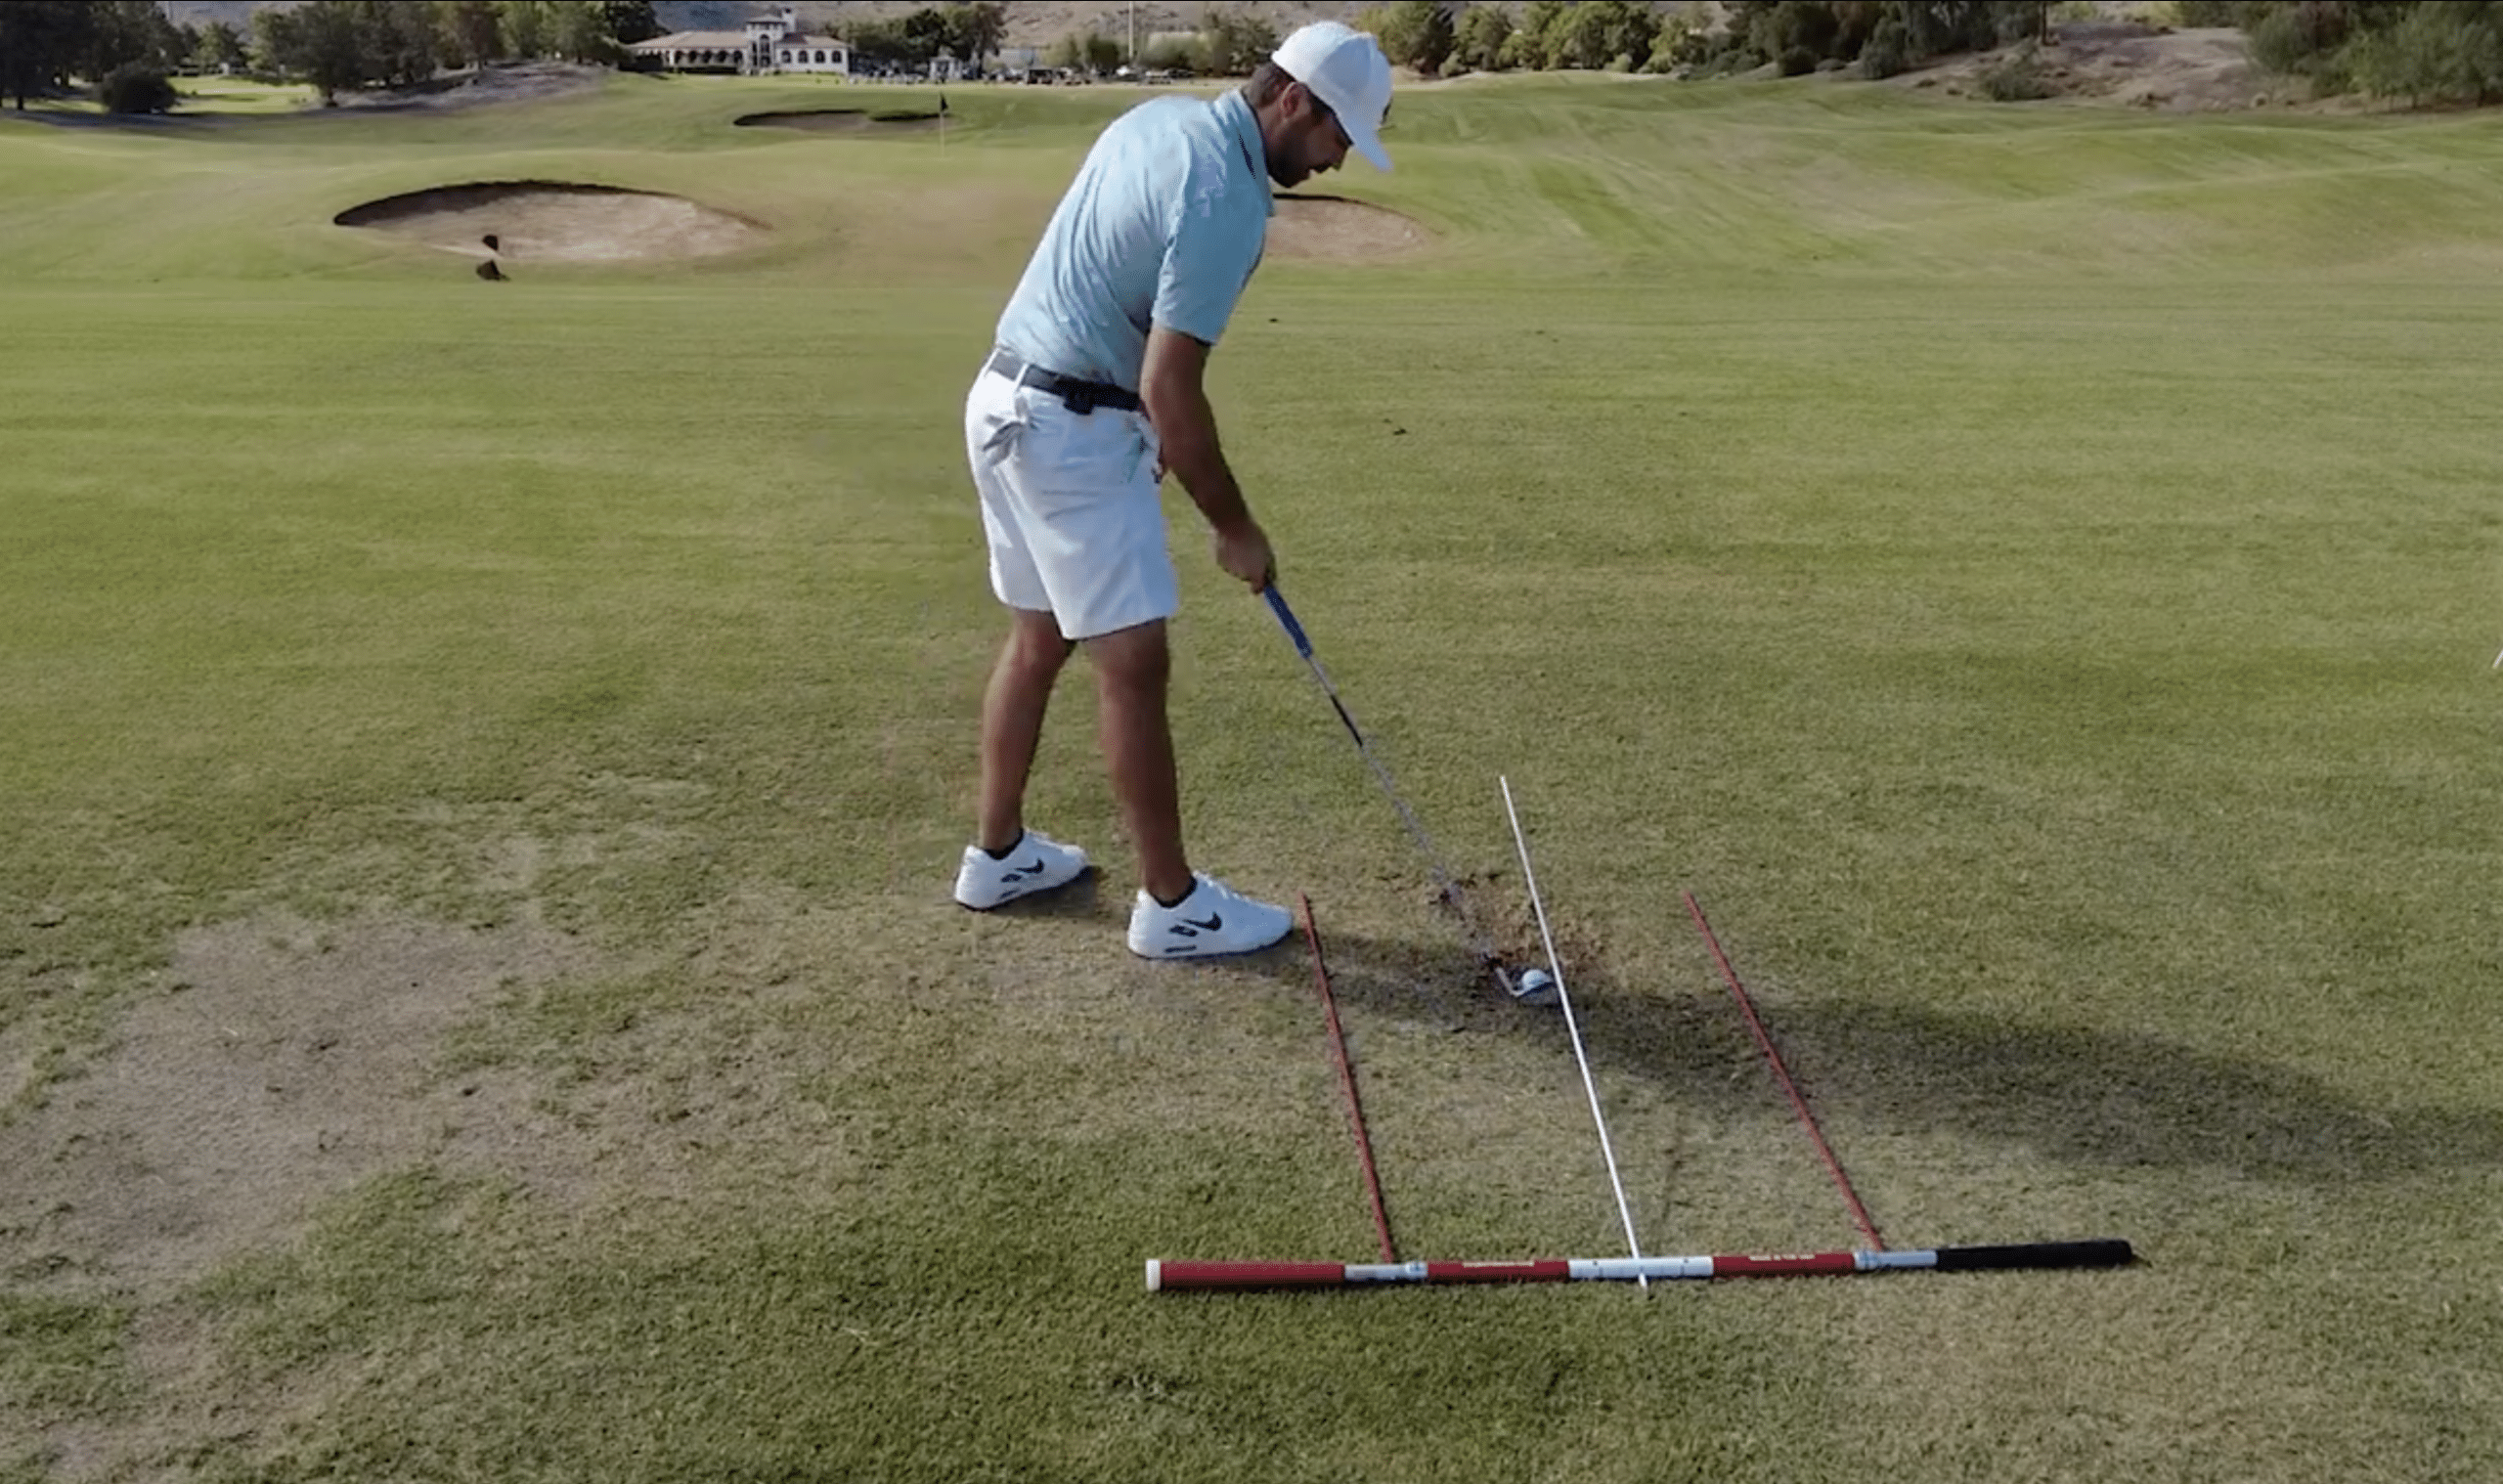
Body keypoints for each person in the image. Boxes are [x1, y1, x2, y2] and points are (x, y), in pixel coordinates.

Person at [952, 22, 1395, 959]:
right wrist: (1235, 527)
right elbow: (1170, 386)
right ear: (1293, 101)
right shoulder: (1227, 196)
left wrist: (1139, 418)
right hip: (1066, 429)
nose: (1337, 159)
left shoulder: (1159, 121)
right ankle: (1173, 906)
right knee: (1133, 662)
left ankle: (997, 855)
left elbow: (1108, 287)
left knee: (1039, 639)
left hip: (1002, 398)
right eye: (1337, 135)